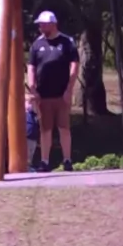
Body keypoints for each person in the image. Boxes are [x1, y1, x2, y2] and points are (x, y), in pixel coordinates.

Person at [27, 10, 79, 173]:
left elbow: (74, 65)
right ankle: (45, 161)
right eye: (40, 25)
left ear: (53, 24)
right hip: (43, 95)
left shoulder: (67, 42)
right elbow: (31, 66)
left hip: (62, 94)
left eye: (43, 25)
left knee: (64, 127)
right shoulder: (37, 44)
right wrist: (32, 87)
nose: (41, 27)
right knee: (45, 129)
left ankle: (67, 160)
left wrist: (69, 89)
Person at [25, 92, 40, 172]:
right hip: (26, 136)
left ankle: (29, 166)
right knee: (26, 153)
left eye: (32, 102)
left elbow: (39, 117)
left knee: (31, 152)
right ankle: (26, 166)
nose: (30, 104)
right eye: (28, 102)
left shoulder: (34, 114)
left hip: (33, 137)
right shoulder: (23, 114)